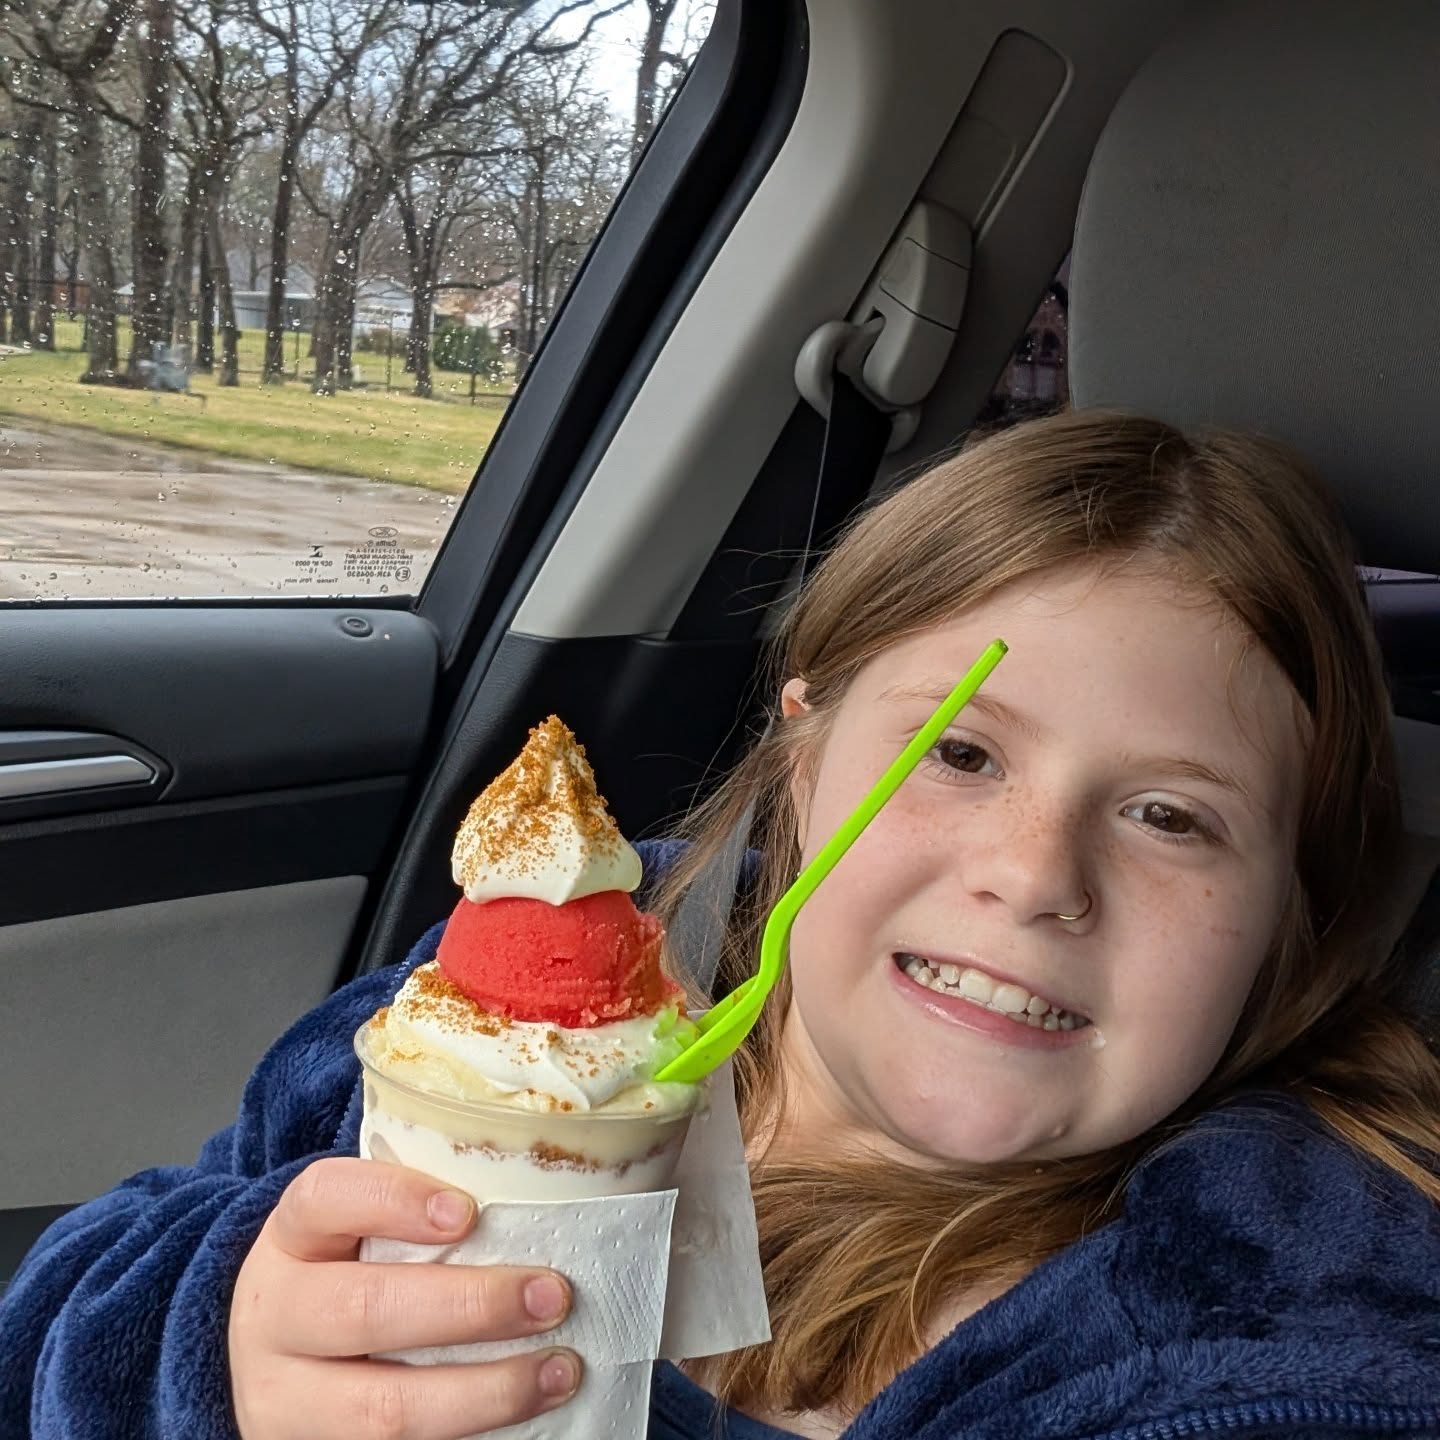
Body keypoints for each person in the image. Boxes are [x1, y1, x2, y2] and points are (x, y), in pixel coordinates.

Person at [3, 411, 1438, 1440]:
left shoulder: (1275, 1320)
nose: (1032, 874)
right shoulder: (526, 1002)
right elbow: (80, 1306)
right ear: (803, 760)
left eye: (1171, 816)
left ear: (1290, 911)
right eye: (959, 752)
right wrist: (218, 1351)